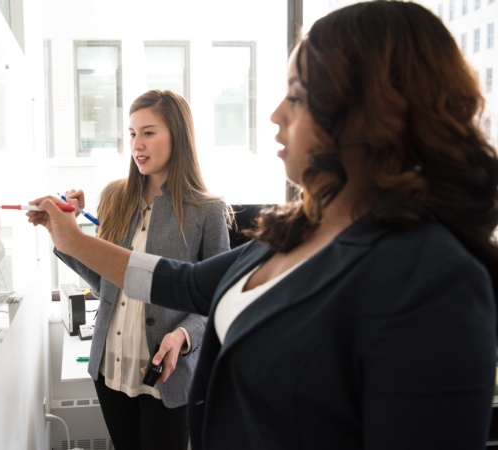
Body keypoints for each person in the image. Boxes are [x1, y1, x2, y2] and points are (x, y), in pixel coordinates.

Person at [31, 2, 498, 448]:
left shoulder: (433, 282)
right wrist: (68, 238)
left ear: (373, 112)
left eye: (297, 96)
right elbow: (185, 282)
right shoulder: (294, 232)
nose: (276, 115)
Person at [55, 90, 232, 450]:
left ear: (177, 136)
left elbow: (218, 299)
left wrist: (183, 335)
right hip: (110, 368)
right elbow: (106, 282)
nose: (137, 144)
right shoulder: (114, 197)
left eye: (149, 132)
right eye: (133, 133)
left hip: (167, 374)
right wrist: (64, 233)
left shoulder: (207, 210)